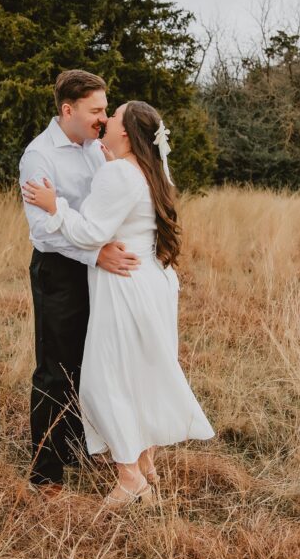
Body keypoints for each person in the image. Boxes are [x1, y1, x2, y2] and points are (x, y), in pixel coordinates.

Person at [22, 100, 216, 508]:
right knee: (136, 377)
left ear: (125, 132)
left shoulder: (117, 171)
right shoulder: (147, 169)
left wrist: (55, 206)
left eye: (112, 114)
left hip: (123, 286)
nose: (106, 119)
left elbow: (92, 231)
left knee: (103, 382)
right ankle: (145, 467)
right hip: (150, 280)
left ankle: (129, 478)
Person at [19, 70, 142, 495]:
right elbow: (43, 230)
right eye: (96, 110)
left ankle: (76, 449)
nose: (104, 118)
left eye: (106, 110)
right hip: (59, 270)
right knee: (55, 369)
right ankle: (45, 475)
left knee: (90, 364)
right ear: (67, 110)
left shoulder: (97, 148)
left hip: (97, 271)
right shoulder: (38, 157)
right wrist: (96, 253)